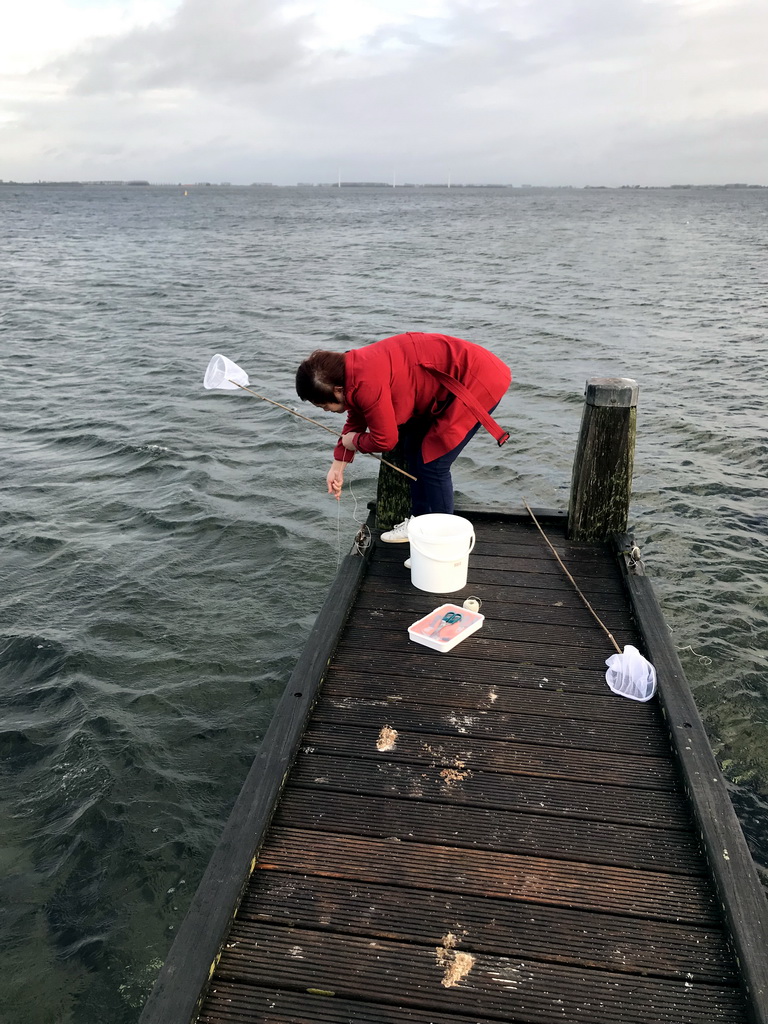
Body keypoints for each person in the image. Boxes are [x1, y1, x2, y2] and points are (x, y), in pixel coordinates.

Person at [295, 331, 511, 541]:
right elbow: (357, 417)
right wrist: (337, 466)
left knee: (434, 463)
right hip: (445, 382)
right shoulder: (352, 370)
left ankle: (444, 541)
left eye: (323, 405)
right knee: (412, 449)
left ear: (338, 389)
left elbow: (385, 440)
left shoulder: (366, 383)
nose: (325, 410)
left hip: (476, 379)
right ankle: (419, 525)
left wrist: (355, 442)